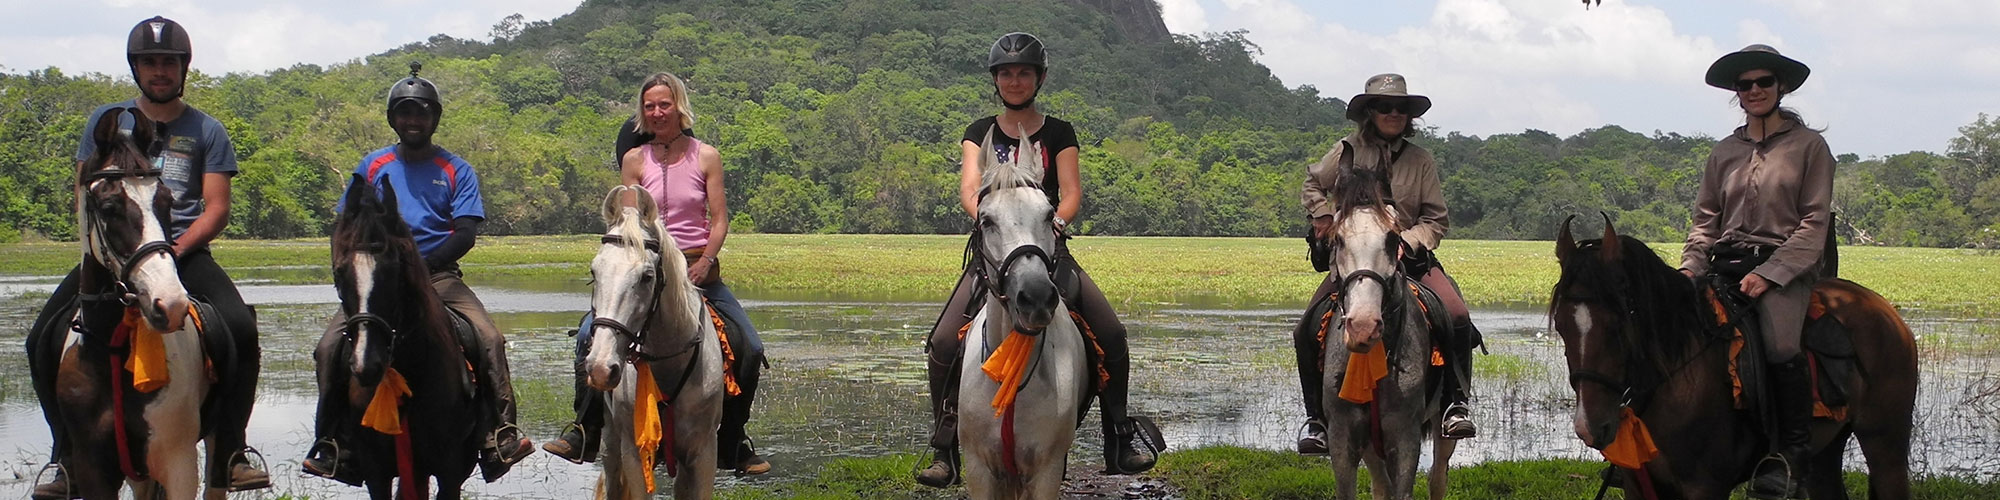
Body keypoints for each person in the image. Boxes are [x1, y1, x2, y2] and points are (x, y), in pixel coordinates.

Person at [27, 16, 269, 498]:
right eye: (150, 62)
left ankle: (232, 452)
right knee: (39, 338)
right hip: (117, 252)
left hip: (182, 251)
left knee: (239, 326)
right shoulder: (105, 122)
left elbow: (216, 208)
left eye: (169, 62)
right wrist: (117, 255)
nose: (160, 71)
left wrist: (170, 252)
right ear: (136, 68)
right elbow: (85, 195)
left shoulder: (207, 129)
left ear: (184, 68)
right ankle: (64, 456)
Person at [914, 32, 1158, 488]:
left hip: (1047, 250)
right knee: (945, 342)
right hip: (994, 252)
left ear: (1039, 78)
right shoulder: (977, 133)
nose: (1015, 80)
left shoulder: (1058, 132)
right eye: (1006, 73)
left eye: (1024, 72)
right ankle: (944, 443)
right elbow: (970, 191)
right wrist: (991, 217)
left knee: (1111, 333)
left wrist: (1056, 223)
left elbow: (1070, 194)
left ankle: (1120, 435)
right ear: (996, 80)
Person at [301, 62, 534, 484]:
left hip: (439, 276)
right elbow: (346, 227)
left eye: (421, 112)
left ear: (434, 119)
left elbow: (466, 233)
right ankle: (334, 443)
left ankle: (498, 434)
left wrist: (420, 268)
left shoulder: (456, 169)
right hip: (376, 282)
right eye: (405, 112)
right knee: (328, 348)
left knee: (489, 338)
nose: (413, 120)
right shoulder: (371, 166)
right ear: (393, 118)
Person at [542, 72, 771, 475]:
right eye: (649, 106)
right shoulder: (634, 160)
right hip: (646, 270)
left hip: (698, 268)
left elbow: (719, 220)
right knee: (586, 337)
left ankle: (733, 439)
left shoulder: (706, 156)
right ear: (642, 113)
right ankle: (586, 427)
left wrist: (704, 261)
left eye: (664, 104)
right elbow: (630, 221)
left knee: (750, 347)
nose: (657, 112)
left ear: (679, 107)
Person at [1295, 73, 1482, 455]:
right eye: (1385, 106)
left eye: (1400, 108)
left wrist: (1407, 243)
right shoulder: (1346, 150)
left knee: (1457, 315)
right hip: (1356, 264)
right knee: (1305, 329)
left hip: (1409, 261)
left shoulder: (1421, 160)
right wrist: (1323, 217)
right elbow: (1314, 183)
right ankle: (1316, 419)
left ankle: (1453, 403)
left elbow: (1436, 219)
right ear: (1371, 112)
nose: (1393, 113)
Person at [1679, 44, 1834, 500]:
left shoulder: (1810, 147)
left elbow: (1815, 223)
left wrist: (1772, 272)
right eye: (1745, 85)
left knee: (1781, 344)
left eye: (1763, 82)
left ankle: (1791, 456)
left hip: (1786, 262)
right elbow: (1705, 221)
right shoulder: (1724, 151)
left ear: (1780, 87)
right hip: (1725, 263)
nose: (1754, 91)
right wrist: (1690, 269)